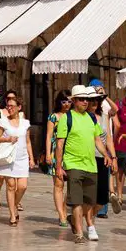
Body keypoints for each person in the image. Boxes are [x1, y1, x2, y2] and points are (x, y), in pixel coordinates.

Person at [55, 85, 116, 244]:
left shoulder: (91, 118)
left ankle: (73, 220)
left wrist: (106, 155)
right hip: (73, 164)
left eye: (86, 99)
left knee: (89, 202)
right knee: (76, 200)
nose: (85, 102)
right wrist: (59, 167)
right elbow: (60, 145)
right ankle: (79, 234)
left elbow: (97, 139)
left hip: (91, 166)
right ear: (74, 100)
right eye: (81, 99)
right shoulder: (66, 119)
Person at [0, 95, 35, 226]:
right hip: (9, 157)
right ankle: (12, 214)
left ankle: (14, 205)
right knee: (11, 186)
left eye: (12, 106)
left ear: (19, 108)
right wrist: (7, 139)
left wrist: (31, 158)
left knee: (22, 186)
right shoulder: (2, 122)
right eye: (8, 106)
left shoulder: (25, 123)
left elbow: (28, 142)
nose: (9, 108)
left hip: (22, 158)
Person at [87, 80, 118, 217]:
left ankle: (85, 217)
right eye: (93, 100)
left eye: (98, 100)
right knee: (88, 194)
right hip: (87, 158)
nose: (95, 102)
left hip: (102, 157)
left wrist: (113, 157)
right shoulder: (84, 116)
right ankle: (88, 223)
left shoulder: (104, 116)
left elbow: (109, 139)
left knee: (102, 195)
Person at [45, 90, 72, 226]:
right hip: (56, 152)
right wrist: (48, 153)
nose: (66, 104)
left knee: (73, 185)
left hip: (72, 152)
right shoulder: (53, 117)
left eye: (69, 101)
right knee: (59, 184)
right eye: (64, 101)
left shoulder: (74, 116)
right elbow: (49, 136)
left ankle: (64, 207)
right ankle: (62, 215)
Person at [0, 89, 19, 208]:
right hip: (4, 147)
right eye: (8, 99)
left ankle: (16, 200)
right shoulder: (0, 112)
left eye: (13, 98)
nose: (10, 102)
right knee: (1, 175)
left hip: (16, 148)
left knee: (16, 174)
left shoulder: (21, 115)